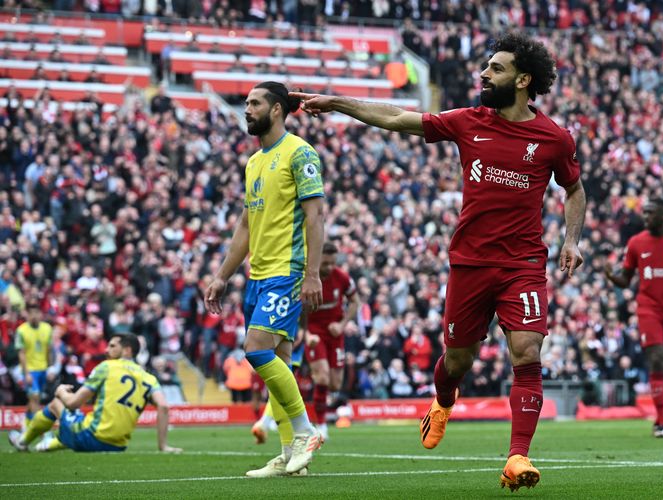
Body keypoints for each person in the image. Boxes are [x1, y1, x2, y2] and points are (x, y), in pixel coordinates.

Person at [291, 31, 585, 492]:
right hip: (469, 264)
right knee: (458, 361)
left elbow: (574, 189)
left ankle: (517, 456)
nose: (484, 74)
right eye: (486, 66)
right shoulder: (468, 121)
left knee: (527, 352)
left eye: (496, 68)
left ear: (524, 79)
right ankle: (443, 400)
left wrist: (571, 240)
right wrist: (339, 103)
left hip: (524, 263)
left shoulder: (553, 138)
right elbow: (394, 116)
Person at [204, 81, 325, 477]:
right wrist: (222, 276)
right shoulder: (254, 162)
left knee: (256, 350)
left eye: (255, 102)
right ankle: (290, 454)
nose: (247, 109)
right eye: (246, 103)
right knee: (281, 363)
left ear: (276, 110)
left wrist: (311, 274)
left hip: (287, 272)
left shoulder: (300, 152)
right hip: (258, 276)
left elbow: (315, 217)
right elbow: (245, 225)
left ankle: (306, 432)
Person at [605, 198, 663, 438]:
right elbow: (626, 279)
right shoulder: (637, 243)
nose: (646, 217)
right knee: (656, 359)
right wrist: (610, 276)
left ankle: (662, 415)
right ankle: (661, 421)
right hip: (648, 309)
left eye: (650, 213)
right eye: (645, 213)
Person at [8, 333, 181, 453]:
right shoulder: (149, 378)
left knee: (56, 405)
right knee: (77, 420)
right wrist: (163, 446)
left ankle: (22, 442)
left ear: (127, 350)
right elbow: (164, 406)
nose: (106, 350)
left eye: (113, 346)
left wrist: (60, 392)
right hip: (118, 446)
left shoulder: (107, 366)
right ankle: (45, 446)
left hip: (92, 437)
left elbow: (73, 403)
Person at [303, 241, 360, 440]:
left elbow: (355, 301)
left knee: (335, 385)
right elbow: (296, 309)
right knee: (323, 378)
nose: (328, 267)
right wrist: (306, 334)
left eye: (332, 263)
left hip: (335, 334)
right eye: (325, 263)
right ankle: (321, 426)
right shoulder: (306, 278)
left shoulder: (341, 277)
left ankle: (316, 383)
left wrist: (343, 324)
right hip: (314, 333)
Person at [14, 303, 53, 428]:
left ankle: (25, 425)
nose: (34, 316)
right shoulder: (21, 331)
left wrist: (50, 368)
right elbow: (21, 353)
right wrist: (26, 373)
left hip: (43, 369)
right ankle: (42, 430)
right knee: (35, 397)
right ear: (27, 315)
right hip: (30, 371)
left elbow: (49, 349)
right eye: (31, 313)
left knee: (34, 400)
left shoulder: (47, 328)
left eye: (36, 313)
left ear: (40, 314)